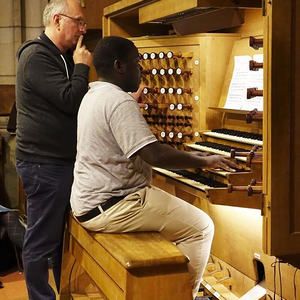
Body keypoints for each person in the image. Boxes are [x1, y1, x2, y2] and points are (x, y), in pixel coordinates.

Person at [70, 36, 238, 300]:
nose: (142, 69)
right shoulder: (118, 102)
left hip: (88, 201)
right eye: (137, 62)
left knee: (173, 212)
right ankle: (183, 295)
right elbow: (154, 154)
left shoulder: (94, 95)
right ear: (120, 66)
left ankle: (170, 282)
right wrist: (204, 160)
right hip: (114, 205)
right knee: (202, 226)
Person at [15, 0, 92, 299]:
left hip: (57, 163)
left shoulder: (59, 56)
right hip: (44, 165)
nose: (83, 29)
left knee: (61, 240)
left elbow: (78, 97)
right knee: (40, 242)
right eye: (79, 21)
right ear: (59, 20)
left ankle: (65, 293)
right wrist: (83, 66)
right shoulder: (37, 56)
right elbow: (71, 100)